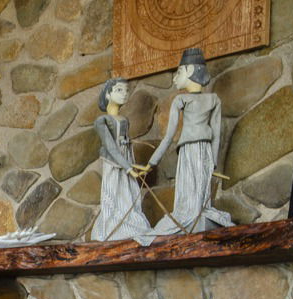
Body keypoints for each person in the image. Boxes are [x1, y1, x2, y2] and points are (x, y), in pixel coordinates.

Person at [135, 47, 232, 236]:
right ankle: (191, 218)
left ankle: (198, 216)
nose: (174, 78)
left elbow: (216, 134)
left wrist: (212, 161)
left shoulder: (213, 100)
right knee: (187, 195)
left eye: (178, 72)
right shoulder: (181, 100)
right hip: (187, 152)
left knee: (201, 197)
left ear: (189, 71)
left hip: (203, 152)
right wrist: (151, 163)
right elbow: (169, 136)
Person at [90, 78, 153, 243]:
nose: (124, 94)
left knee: (129, 191)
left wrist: (132, 165)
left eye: (126, 90)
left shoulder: (124, 120)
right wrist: (128, 167)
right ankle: (113, 226)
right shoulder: (102, 121)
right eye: (119, 90)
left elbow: (126, 145)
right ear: (108, 93)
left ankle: (130, 223)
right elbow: (111, 148)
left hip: (126, 160)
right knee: (114, 192)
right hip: (113, 163)